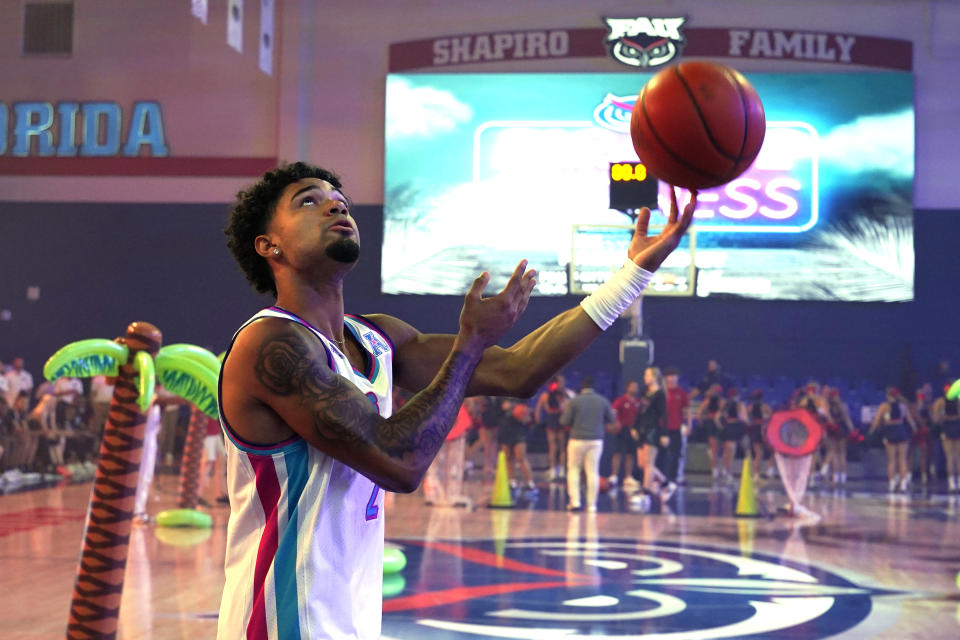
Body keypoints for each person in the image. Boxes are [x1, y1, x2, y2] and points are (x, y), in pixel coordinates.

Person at [216, 162, 695, 638]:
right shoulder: (271, 344)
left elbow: (517, 370)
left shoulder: (378, 336)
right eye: (309, 200)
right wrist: (468, 345)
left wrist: (634, 273)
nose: (335, 204)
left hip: (351, 620)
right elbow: (398, 461)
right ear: (268, 244)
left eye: (338, 198)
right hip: (280, 625)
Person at [561, 377, 616, 511]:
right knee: (593, 472)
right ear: (594, 387)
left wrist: (565, 409)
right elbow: (612, 419)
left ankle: (575, 502)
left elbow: (564, 421)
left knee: (574, 470)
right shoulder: (602, 401)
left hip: (577, 439)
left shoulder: (574, 401)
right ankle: (592, 505)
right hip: (596, 440)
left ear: (582, 386)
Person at [869, 387, 918, 493]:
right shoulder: (903, 406)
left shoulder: (884, 406)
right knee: (903, 459)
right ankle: (903, 484)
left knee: (891, 460)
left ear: (887, 395)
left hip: (890, 432)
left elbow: (877, 420)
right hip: (901, 431)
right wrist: (915, 430)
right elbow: (910, 421)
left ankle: (891, 483)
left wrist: (871, 431)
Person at [632, 367, 670, 494]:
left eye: (647, 375)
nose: (645, 377)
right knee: (641, 463)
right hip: (642, 428)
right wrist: (634, 426)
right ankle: (665, 482)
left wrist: (664, 434)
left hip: (652, 429)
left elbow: (663, 415)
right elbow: (640, 411)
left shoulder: (660, 395)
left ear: (654, 377)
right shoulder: (644, 392)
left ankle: (645, 490)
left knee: (649, 462)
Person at [535, 374, 573, 481]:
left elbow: (569, 407)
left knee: (560, 447)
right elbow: (538, 409)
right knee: (555, 447)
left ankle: (560, 470)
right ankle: (554, 470)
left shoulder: (564, 394)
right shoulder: (548, 395)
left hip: (559, 421)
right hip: (553, 421)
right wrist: (538, 421)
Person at [609, 380, 641, 491]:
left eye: (636, 387)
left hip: (633, 430)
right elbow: (613, 413)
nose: (634, 389)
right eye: (632, 386)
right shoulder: (621, 400)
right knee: (618, 452)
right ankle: (614, 476)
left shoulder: (638, 402)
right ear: (627, 388)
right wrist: (616, 423)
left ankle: (628, 477)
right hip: (621, 429)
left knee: (630, 454)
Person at [497, 402, 536, 493]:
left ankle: (530, 482)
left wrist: (521, 413)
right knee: (508, 457)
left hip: (519, 431)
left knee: (521, 457)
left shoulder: (520, 398)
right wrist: (502, 409)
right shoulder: (500, 398)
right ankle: (512, 481)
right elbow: (496, 413)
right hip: (505, 430)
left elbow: (528, 416)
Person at [662, 367, 689, 483]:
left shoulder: (681, 393)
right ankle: (662, 476)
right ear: (666, 378)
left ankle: (675, 477)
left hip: (676, 427)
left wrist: (688, 425)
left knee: (676, 453)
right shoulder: (661, 392)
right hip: (663, 427)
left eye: (674, 376)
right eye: (669, 376)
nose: (672, 378)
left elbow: (686, 410)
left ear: (677, 378)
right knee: (662, 453)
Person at [823, 387, 854, 485]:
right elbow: (847, 419)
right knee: (842, 454)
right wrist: (852, 430)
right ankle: (843, 476)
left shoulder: (828, 406)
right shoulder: (842, 406)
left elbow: (828, 419)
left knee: (834, 453)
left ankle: (835, 476)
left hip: (832, 429)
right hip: (842, 429)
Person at [932, 384, 960, 492]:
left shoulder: (940, 402)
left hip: (947, 427)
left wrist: (943, 417)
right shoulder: (958, 400)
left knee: (950, 457)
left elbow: (935, 419)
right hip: (957, 426)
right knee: (958, 457)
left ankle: (952, 483)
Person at [717, 387, 747, 483]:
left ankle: (725, 470)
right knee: (731, 450)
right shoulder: (739, 405)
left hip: (727, 426)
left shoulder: (725, 404)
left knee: (727, 450)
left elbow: (717, 417)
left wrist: (721, 426)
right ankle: (727, 471)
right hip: (734, 427)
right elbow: (743, 418)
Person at [696, 384, 723, 479]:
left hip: (716, 423)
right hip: (711, 424)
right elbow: (699, 413)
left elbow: (699, 413)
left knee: (718, 448)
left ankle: (717, 468)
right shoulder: (708, 401)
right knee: (714, 448)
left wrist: (702, 420)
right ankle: (715, 469)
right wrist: (702, 421)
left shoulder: (720, 401)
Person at [746, 389, 773, 479]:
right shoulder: (765, 407)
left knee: (758, 454)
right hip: (764, 430)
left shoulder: (750, 407)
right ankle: (770, 470)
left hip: (754, 429)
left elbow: (747, 418)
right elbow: (772, 418)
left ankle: (756, 475)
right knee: (772, 451)